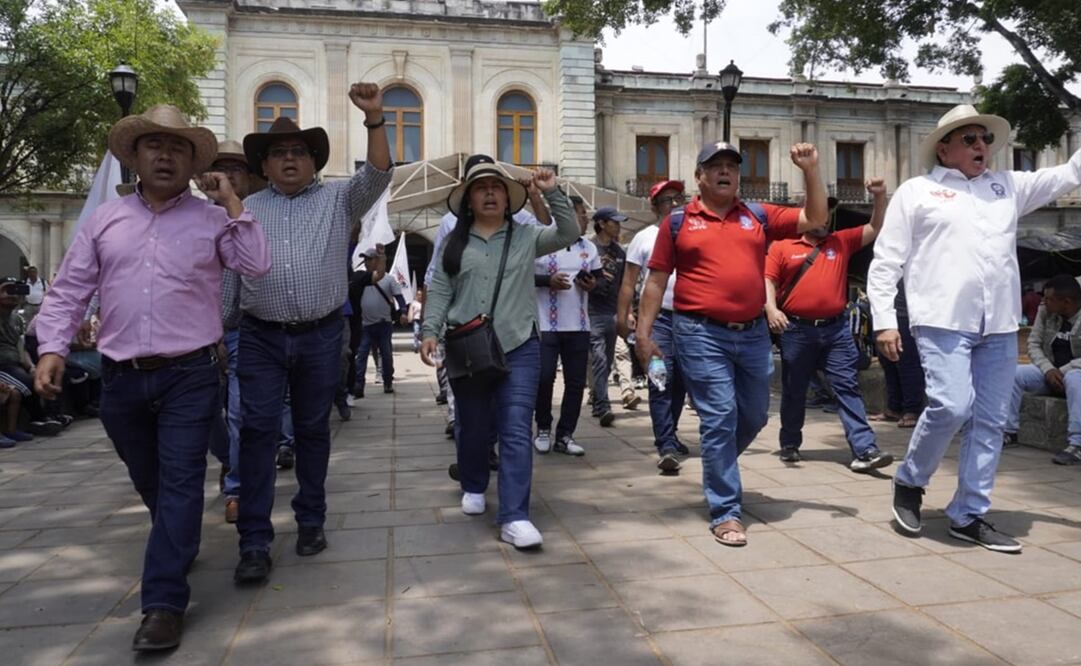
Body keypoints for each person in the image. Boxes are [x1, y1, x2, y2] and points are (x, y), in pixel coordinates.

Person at [33, 104, 270, 650]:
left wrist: (232, 201)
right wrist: (52, 347)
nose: (165, 155)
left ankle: (163, 603)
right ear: (134, 157)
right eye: (154, 146)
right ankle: (176, 538)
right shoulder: (105, 221)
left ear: (193, 162)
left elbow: (257, 265)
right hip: (120, 378)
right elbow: (70, 289)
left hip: (190, 372)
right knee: (154, 482)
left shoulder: (214, 220)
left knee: (183, 480)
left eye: (178, 147)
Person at [869, 104, 1081, 553]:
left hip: (1000, 326)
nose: (981, 145)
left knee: (991, 421)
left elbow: (1068, 173)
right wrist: (885, 321)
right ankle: (910, 481)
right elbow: (886, 260)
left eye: (985, 138)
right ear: (944, 149)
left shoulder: (1007, 187)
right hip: (942, 320)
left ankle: (968, 514)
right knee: (950, 406)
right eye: (970, 139)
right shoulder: (918, 192)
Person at [231, 83, 392, 584]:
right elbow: (228, 274)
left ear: (313, 159)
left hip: (321, 335)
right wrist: (218, 332)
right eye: (279, 153)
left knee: (312, 431)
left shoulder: (339, 199)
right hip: (259, 335)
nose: (289, 159)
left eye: (298, 151)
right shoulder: (247, 208)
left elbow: (381, 175)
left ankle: (310, 520)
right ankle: (254, 539)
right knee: (257, 435)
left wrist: (374, 118)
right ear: (265, 165)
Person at [636, 140, 827, 547]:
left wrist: (810, 170)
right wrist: (643, 334)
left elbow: (815, 217)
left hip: (753, 334)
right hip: (699, 332)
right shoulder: (678, 222)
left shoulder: (757, 215)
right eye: (715, 166)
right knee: (720, 416)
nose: (725, 172)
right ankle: (726, 510)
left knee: (755, 415)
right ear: (699, 177)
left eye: (732, 166)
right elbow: (655, 280)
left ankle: (717, 461)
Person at [421, 160, 578, 549]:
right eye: (481, 188)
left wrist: (551, 191)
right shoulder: (454, 242)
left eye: (497, 187)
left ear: (508, 199)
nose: (490, 193)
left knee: (514, 429)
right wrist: (429, 332)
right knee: (472, 426)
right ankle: (473, 483)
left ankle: (514, 517)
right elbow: (440, 288)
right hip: (467, 346)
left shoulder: (526, 236)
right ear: (469, 200)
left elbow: (570, 232)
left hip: (520, 344)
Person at [765, 178, 893, 472]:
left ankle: (865, 448)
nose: (825, 217)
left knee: (847, 386)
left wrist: (879, 197)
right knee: (795, 389)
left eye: (829, 211)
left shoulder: (840, 241)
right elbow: (767, 280)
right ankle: (790, 442)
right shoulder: (783, 246)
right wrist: (771, 308)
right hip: (796, 330)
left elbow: (875, 227)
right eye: (820, 210)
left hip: (836, 329)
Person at [618, 179, 690, 472]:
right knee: (661, 380)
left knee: (681, 383)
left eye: (678, 198)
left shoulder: (692, 233)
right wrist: (622, 319)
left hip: (689, 321)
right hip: (657, 320)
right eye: (666, 199)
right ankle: (666, 443)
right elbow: (627, 282)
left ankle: (669, 431)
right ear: (653, 206)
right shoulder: (643, 238)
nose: (674, 204)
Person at [532, 194, 600, 456]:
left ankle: (566, 434)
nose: (585, 219)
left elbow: (597, 280)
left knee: (575, 383)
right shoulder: (542, 242)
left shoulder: (589, 248)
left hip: (579, 326)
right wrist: (547, 281)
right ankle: (544, 428)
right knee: (544, 378)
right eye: (582, 214)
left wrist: (592, 284)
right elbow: (522, 276)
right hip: (546, 325)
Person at [215, 139, 257, 524]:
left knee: (240, 414)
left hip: (244, 333)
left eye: (236, 170)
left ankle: (237, 487)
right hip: (193, 340)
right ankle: (227, 461)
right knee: (209, 419)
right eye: (221, 169)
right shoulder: (195, 217)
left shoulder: (259, 217)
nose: (228, 177)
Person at [1005, 274, 1081, 465]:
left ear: (1067, 302)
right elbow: (1033, 343)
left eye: (1048, 299)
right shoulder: (1046, 310)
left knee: (1074, 378)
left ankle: (1077, 444)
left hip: (1074, 374)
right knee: (1013, 374)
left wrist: (1062, 371)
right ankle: (1008, 431)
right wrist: (1048, 369)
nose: (1043, 302)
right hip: (1050, 371)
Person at [588, 206, 628, 426]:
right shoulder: (588, 248)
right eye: (615, 222)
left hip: (612, 313)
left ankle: (596, 397)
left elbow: (624, 286)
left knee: (607, 359)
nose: (618, 226)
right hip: (591, 313)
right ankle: (603, 405)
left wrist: (625, 314)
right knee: (600, 358)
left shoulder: (620, 253)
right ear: (602, 223)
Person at [869, 282, 925, 428]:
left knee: (907, 363)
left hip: (906, 314)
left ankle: (912, 409)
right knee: (888, 362)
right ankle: (893, 408)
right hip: (885, 316)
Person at [357, 272, 406, 394]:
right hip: (366, 325)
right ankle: (358, 385)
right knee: (361, 356)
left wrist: (404, 312)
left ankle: (387, 382)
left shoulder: (389, 279)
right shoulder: (361, 279)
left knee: (386, 354)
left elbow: (399, 296)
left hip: (384, 324)